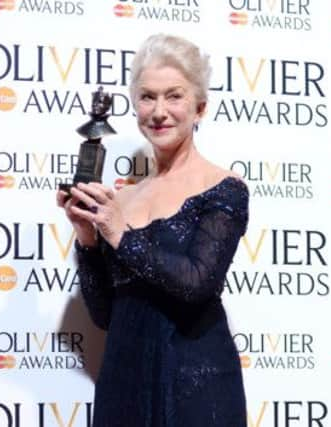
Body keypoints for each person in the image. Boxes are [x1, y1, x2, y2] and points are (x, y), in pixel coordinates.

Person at [57, 33, 249, 427]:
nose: (159, 110)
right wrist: (88, 238)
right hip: (124, 379)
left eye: (173, 96)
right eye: (147, 97)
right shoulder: (122, 201)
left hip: (195, 382)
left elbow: (197, 283)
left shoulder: (224, 187)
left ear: (200, 108)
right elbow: (105, 313)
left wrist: (119, 235)